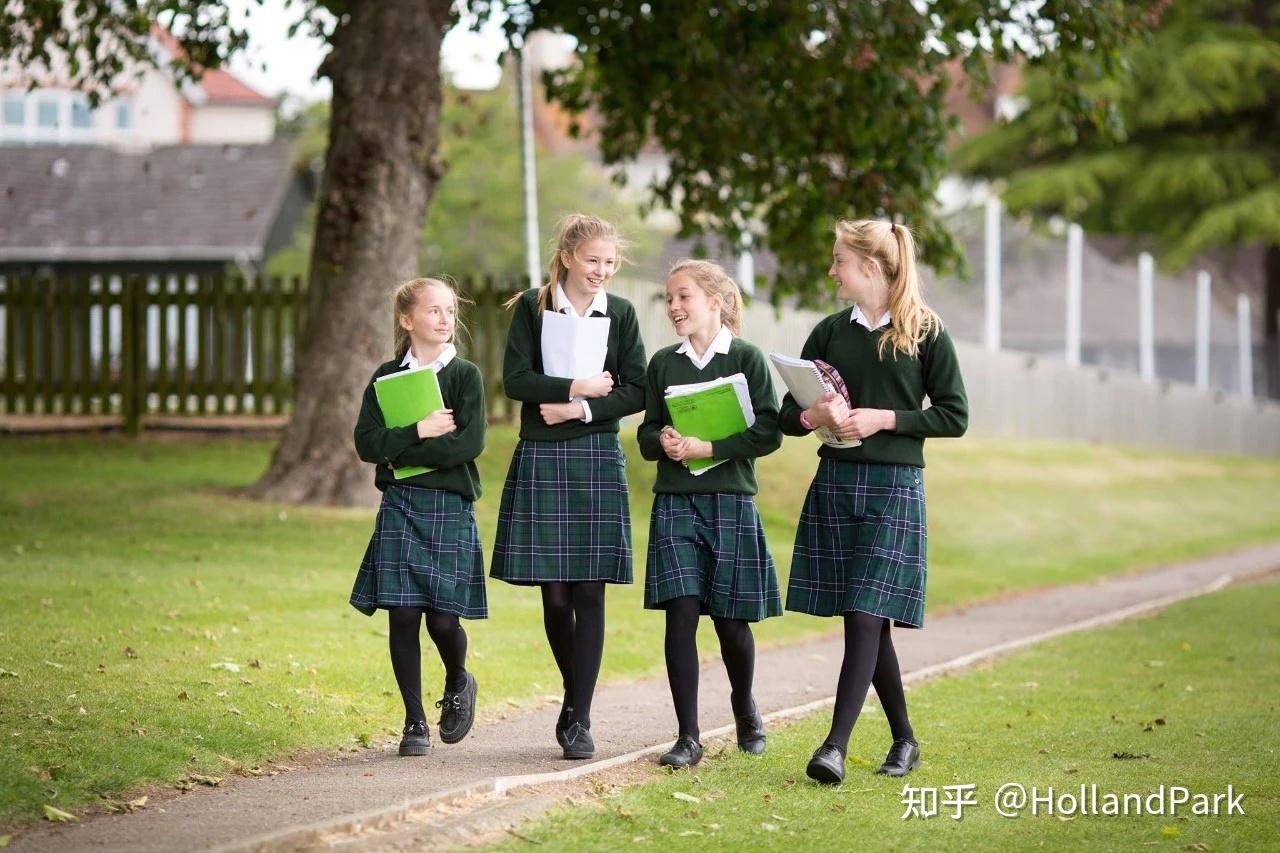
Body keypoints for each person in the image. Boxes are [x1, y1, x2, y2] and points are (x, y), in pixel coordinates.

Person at [779, 219, 968, 785]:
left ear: (870, 267)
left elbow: (955, 414)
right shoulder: (829, 333)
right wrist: (818, 414)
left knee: (865, 616)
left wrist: (884, 418)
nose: (832, 270)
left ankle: (834, 746)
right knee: (867, 621)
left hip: (895, 488)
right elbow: (789, 417)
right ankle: (905, 740)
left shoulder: (926, 333)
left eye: (839, 260)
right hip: (836, 482)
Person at [490, 214, 647, 760]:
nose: (601, 271)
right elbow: (514, 380)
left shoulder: (621, 314)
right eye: (592, 260)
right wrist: (572, 384)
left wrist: (579, 408)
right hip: (541, 454)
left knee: (589, 589)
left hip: (597, 455)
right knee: (555, 595)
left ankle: (579, 713)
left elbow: (636, 391)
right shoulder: (533, 308)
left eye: (609, 262)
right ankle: (573, 691)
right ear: (567, 257)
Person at [637, 259, 783, 769]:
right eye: (670, 299)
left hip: (730, 501)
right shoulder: (663, 364)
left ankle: (745, 708)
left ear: (714, 302)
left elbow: (769, 431)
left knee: (730, 624)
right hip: (676, 502)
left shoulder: (746, 358)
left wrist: (709, 445)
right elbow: (646, 433)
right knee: (680, 616)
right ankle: (688, 736)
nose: (674, 307)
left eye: (684, 297)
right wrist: (664, 439)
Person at [351, 276, 487, 756]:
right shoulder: (386, 378)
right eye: (434, 311)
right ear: (407, 320)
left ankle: (457, 678)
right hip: (400, 509)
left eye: (450, 311)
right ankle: (414, 723)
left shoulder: (465, 376)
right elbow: (367, 443)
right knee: (403, 615)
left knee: (443, 622)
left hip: (449, 506)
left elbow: (468, 446)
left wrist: (401, 453)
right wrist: (421, 429)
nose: (446, 319)